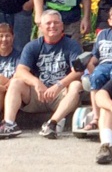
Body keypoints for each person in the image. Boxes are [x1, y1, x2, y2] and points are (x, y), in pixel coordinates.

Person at [0, 10, 83, 139]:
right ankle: (9, 124)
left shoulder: (72, 45)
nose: (52, 26)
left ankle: (52, 123)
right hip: (38, 94)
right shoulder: (32, 46)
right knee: (16, 82)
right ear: (40, 27)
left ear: (62, 26)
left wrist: (59, 85)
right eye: (48, 23)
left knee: (76, 85)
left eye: (56, 23)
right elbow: (21, 71)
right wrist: (36, 83)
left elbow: (78, 71)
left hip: (60, 94)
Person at [0, 23, 20, 114]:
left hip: (12, 92)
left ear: (13, 37)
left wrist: (4, 87)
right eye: (1, 36)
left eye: (7, 36)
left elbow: (20, 76)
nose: (4, 39)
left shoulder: (20, 56)